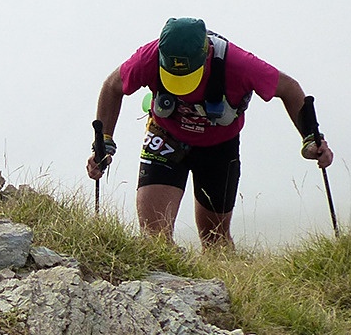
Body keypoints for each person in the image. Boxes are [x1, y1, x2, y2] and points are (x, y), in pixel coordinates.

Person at [85, 17, 333, 248]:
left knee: (215, 241)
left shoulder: (239, 64)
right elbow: (112, 85)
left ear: (206, 57)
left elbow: (289, 88)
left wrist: (310, 138)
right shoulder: (148, 56)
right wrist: (104, 142)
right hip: (165, 136)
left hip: (219, 148)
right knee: (153, 238)